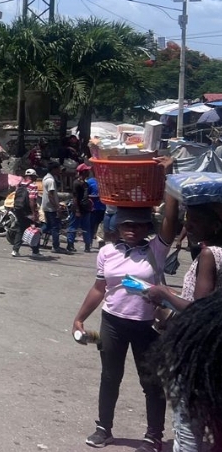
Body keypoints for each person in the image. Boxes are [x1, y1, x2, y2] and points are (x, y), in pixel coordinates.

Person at [72, 175, 179, 452]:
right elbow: (99, 288)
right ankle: (103, 429)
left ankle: (153, 437)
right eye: (127, 224)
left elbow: (171, 218)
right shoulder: (107, 252)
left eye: (139, 224)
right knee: (110, 377)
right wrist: (80, 317)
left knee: (150, 382)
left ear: (147, 227)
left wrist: (169, 181)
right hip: (112, 323)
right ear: (118, 225)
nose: (132, 229)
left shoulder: (156, 249)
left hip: (147, 326)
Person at [145, 198, 222, 452]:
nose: (188, 227)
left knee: (188, 431)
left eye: (196, 221)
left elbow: (199, 310)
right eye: (187, 220)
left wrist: (164, 294)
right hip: (213, 352)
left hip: (196, 354)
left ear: (215, 225)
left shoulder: (210, 254)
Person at [153, 289, 222, 452]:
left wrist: (165, 294)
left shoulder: (208, 266)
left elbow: (200, 309)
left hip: (202, 358)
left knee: (189, 436)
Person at [10, 169, 42, 257]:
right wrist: (34, 213)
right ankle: (35, 252)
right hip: (27, 211)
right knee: (35, 228)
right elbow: (32, 201)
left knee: (21, 229)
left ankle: (15, 250)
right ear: (32, 176)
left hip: (18, 209)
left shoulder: (20, 185)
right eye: (35, 176)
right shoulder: (33, 186)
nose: (36, 178)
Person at [66, 163, 93, 253]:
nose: (89, 172)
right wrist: (77, 210)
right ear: (83, 172)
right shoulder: (76, 183)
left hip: (86, 208)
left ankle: (87, 245)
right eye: (87, 171)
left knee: (86, 227)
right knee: (73, 227)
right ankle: (70, 244)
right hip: (78, 208)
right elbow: (75, 198)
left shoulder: (86, 184)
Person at [40, 162, 62, 251]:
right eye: (58, 169)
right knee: (55, 227)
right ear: (53, 169)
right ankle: (56, 246)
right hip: (51, 207)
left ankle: (36, 234)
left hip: (46, 206)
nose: (59, 171)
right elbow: (51, 195)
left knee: (48, 226)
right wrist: (57, 207)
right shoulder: (51, 181)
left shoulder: (46, 178)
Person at [86, 167, 106, 250]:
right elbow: (86, 195)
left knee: (102, 227)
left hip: (103, 208)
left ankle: (101, 244)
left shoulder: (105, 181)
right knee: (90, 226)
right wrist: (95, 196)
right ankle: (88, 244)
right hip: (93, 208)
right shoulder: (89, 182)